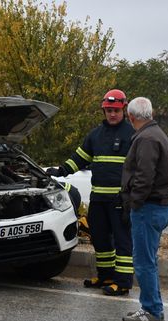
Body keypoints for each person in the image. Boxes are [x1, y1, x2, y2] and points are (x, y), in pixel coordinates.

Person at [48, 89, 135, 296]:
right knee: (100, 240)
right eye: (108, 110)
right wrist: (61, 171)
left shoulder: (132, 135)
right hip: (98, 199)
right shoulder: (95, 135)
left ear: (123, 108)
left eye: (115, 110)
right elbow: (80, 158)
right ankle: (105, 276)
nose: (112, 114)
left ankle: (122, 282)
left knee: (122, 242)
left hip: (120, 200)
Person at [120, 97, 168, 321]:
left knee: (143, 262)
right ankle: (153, 306)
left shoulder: (146, 139)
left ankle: (152, 310)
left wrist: (134, 203)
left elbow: (144, 176)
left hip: (148, 208)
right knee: (149, 260)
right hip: (156, 206)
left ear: (131, 117)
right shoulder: (156, 134)